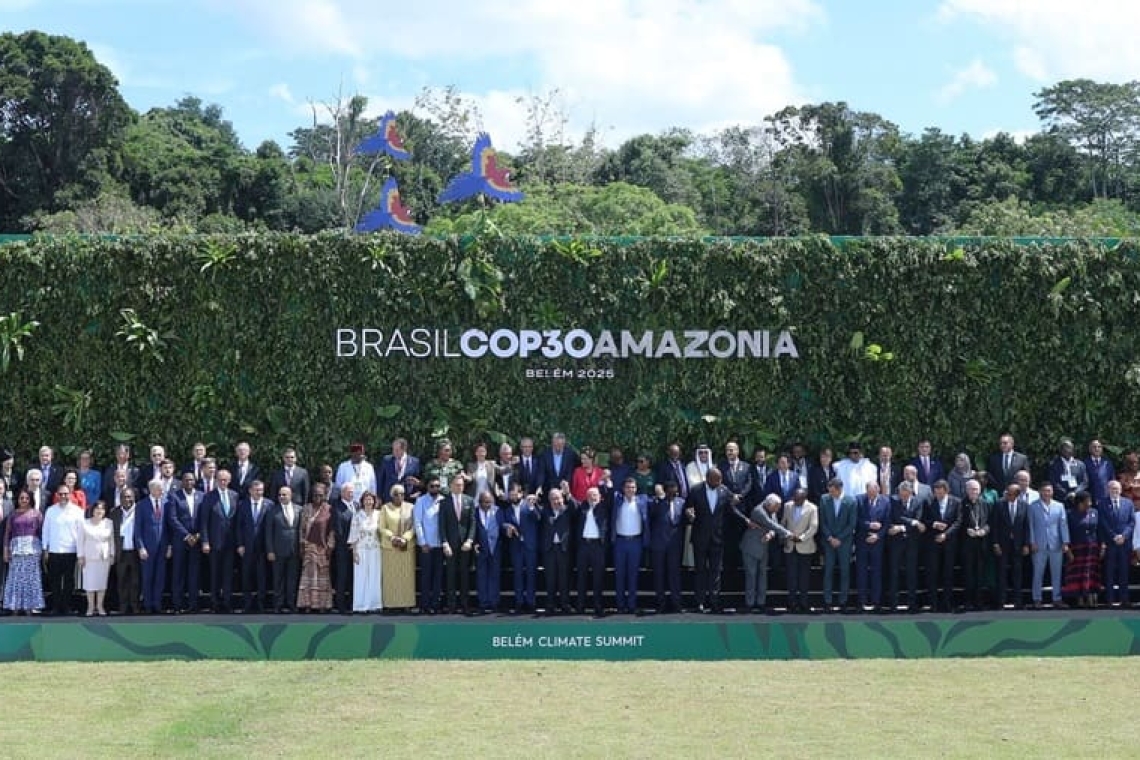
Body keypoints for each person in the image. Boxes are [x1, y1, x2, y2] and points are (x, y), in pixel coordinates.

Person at [686, 468, 740, 613]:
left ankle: (714, 601)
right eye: (717, 479)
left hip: (718, 538)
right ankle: (700, 602)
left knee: (716, 572)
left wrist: (746, 520)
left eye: (721, 479)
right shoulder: (695, 490)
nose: (720, 482)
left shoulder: (724, 490)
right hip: (700, 538)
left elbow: (732, 509)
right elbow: (688, 508)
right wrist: (690, 515)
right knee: (700, 571)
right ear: (708, 478)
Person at [741, 494, 791, 613]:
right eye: (776, 507)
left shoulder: (772, 510)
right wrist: (789, 534)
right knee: (751, 575)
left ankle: (761, 602)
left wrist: (771, 534)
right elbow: (771, 524)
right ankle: (750, 603)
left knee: (763, 575)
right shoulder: (758, 510)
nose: (778, 510)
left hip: (763, 547)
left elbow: (773, 526)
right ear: (769, 505)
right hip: (751, 547)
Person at [200, 469, 239, 613]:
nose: (223, 482)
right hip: (214, 542)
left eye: (225, 480)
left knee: (228, 573)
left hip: (230, 542)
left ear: (229, 481)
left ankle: (227, 602)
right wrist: (205, 541)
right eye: (220, 480)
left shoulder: (235, 495)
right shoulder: (209, 497)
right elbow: (204, 521)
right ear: (216, 480)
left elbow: (236, 520)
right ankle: (214, 602)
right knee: (215, 573)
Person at [43, 483, 85, 615]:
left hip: (71, 551)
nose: (63, 496)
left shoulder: (78, 511)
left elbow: (81, 533)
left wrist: (81, 552)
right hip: (54, 550)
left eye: (65, 494)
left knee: (69, 581)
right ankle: (56, 607)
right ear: (57, 495)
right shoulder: (51, 511)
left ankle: (66, 607)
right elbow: (46, 531)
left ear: (70, 495)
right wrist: (45, 549)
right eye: (60, 494)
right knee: (54, 580)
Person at [500, 481, 540, 613]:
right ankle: (519, 602)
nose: (512, 497)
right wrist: (508, 527)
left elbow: (538, 518)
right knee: (517, 574)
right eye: (510, 495)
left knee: (531, 574)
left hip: (530, 545)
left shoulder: (529, 505)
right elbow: (503, 523)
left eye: (514, 494)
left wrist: (531, 507)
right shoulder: (507, 509)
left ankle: (531, 602)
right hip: (515, 546)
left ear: (521, 493)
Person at [1028, 483, 1070, 609]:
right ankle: (1037, 599)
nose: (1047, 493)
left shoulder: (1059, 506)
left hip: (1056, 544)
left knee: (1057, 573)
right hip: (1039, 545)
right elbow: (1030, 526)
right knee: (1038, 573)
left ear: (1052, 492)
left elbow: (1063, 524)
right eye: (1044, 491)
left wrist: (1065, 542)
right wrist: (1032, 542)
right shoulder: (1032, 506)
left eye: (1049, 491)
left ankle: (1057, 599)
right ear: (1040, 492)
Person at [166, 471, 203, 613]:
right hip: (180, 541)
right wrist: (187, 536)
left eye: (191, 480)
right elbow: (172, 519)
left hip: (197, 541)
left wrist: (198, 535)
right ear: (182, 482)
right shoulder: (174, 496)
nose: (189, 482)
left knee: (194, 574)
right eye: (186, 480)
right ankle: (177, 605)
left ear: (195, 481)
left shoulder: (201, 496)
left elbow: (203, 518)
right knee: (178, 574)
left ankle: (193, 605)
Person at [887, 481, 927, 612]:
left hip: (912, 542)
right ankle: (893, 603)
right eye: (901, 495)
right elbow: (896, 516)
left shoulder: (918, 501)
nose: (903, 498)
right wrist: (912, 522)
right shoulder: (893, 501)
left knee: (911, 573)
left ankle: (912, 603)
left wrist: (902, 526)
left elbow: (919, 519)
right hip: (896, 542)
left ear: (910, 492)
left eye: (905, 495)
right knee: (894, 572)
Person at [3, 490, 44, 614]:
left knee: (31, 579)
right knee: (16, 578)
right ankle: (15, 607)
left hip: (32, 549)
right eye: (22, 498)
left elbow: (42, 533)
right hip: (16, 550)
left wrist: (44, 550)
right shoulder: (13, 514)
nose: (24, 500)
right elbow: (7, 534)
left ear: (30, 499)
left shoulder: (37, 514)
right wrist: (5, 550)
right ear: (18, 500)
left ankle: (29, 607)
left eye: (26, 498)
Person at [818, 477, 856, 612]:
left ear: (839, 489)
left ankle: (843, 601)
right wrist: (829, 537)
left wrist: (839, 538)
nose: (830, 493)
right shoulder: (824, 499)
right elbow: (822, 521)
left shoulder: (851, 501)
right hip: (829, 542)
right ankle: (827, 601)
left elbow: (851, 524)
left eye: (833, 491)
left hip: (844, 542)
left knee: (845, 571)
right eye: (829, 490)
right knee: (828, 571)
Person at [611, 477, 648, 614]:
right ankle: (620, 606)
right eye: (627, 487)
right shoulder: (617, 500)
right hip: (620, 541)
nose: (630, 490)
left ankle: (631, 605)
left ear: (636, 489)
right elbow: (608, 493)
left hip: (636, 542)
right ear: (623, 489)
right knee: (619, 575)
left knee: (633, 575)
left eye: (632, 487)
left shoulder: (643, 500)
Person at [439, 474, 475, 614]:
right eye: (457, 485)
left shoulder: (469, 501)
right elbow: (441, 525)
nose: (460, 487)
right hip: (450, 545)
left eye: (461, 485)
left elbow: (473, 523)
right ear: (451, 486)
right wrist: (444, 543)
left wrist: (470, 540)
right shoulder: (444, 502)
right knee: (450, 574)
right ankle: (451, 604)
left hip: (465, 544)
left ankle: (465, 603)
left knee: (465, 575)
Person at [648, 481, 685, 614]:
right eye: (671, 490)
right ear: (666, 490)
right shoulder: (657, 503)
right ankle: (661, 603)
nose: (673, 492)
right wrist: (659, 498)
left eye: (675, 490)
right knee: (659, 574)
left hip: (674, 545)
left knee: (674, 574)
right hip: (659, 544)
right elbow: (650, 515)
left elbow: (684, 521)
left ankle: (676, 603)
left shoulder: (681, 502)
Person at [297, 482, 335, 613]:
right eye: (315, 495)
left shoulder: (329, 509)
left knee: (322, 577)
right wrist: (302, 545)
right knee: (309, 577)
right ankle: (308, 604)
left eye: (320, 495)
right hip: (309, 547)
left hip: (323, 548)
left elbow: (332, 530)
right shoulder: (306, 509)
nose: (317, 497)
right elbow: (301, 529)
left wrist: (330, 546)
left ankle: (322, 605)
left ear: (324, 495)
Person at [134, 480, 170, 614]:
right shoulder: (141, 505)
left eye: (162, 489)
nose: (162, 491)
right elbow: (137, 529)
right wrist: (141, 547)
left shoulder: (166, 503)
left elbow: (168, 526)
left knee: (160, 577)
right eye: (159, 489)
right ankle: (148, 604)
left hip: (163, 547)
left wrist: (169, 546)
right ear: (152, 489)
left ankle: (157, 604)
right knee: (148, 577)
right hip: (147, 548)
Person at [991, 483, 1029, 610]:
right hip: (1003, 544)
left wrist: (1026, 544)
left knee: (1017, 573)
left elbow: (1026, 527)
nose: (1007, 495)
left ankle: (1018, 601)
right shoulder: (999, 504)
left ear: (1017, 495)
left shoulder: (1024, 506)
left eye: (1010, 493)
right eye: (1007, 492)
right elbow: (994, 525)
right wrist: (995, 543)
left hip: (1018, 544)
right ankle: (1001, 601)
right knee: (1001, 573)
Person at [926, 479, 962, 612]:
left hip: (949, 542)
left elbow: (958, 522)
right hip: (934, 542)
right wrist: (934, 524)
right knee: (933, 573)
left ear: (946, 491)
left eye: (941, 493)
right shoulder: (929, 502)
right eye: (936, 493)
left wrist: (946, 534)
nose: (938, 496)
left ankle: (947, 603)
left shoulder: (956, 502)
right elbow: (925, 519)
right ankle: (933, 604)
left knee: (948, 573)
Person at [854, 481, 890, 612]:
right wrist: (868, 525)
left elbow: (887, 522)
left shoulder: (886, 501)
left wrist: (878, 536)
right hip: (862, 540)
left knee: (877, 572)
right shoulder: (858, 500)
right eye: (869, 493)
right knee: (861, 572)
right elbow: (855, 519)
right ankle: (861, 601)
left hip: (877, 542)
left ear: (878, 491)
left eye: (874, 493)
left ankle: (876, 602)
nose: (871, 496)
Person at [237, 480, 272, 613]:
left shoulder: (269, 504)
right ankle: (247, 603)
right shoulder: (242, 505)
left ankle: (261, 604)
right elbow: (238, 526)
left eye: (261, 490)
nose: (259, 492)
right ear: (250, 491)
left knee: (262, 576)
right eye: (256, 490)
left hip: (263, 547)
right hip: (247, 547)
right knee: (246, 576)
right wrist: (240, 544)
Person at [265, 485, 302, 613]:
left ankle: (291, 603)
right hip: (278, 550)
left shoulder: (299, 509)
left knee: (292, 578)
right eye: (280, 495)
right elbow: (268, 532)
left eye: (284, 494)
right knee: (278, 579)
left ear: (290, 495)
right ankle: (278, 604)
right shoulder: (272, 511)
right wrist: (270, 550)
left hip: (294, 550)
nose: (281, 497)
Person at [380, 484, 416, 612]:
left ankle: (406, 603)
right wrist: (393, 537)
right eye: (396, 494)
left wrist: (405, 538)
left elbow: (414, 526)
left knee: (406, 577)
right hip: (390, 547)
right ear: (391, 495)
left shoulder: (411, 508)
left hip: (406, 547)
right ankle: (390, 604)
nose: (399, 496)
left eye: (402, 493)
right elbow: (382, 527)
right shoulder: (385, 508)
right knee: (391, 576)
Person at [781, 488, 818, 613]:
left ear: (804, 498)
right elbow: (783, 523)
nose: (795, 501)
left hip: (805, 547)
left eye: (798, 500)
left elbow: (813, 527)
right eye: (794, 499)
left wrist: (801, 538)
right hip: (790, 546)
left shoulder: (812, 508)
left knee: (804, 577)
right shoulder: (787, 506)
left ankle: (803, 603)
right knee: (791, 576)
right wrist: (787, 535)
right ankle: (791, 603)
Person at [574, 486, 608, 617]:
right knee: (581, 578)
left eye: (595, 495)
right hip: (583, 545)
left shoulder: (604, 507)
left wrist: (607, 484)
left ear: (599, 496)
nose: (592, 498)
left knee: (598, 579)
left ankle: (598, 606)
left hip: (597, 546)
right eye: (589, 495)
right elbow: (572, 503)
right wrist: (567, 493)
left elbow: (610, 496)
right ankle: (580, 606)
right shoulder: (582, 507)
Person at [1099, 480, 1134, 608]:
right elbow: (1103, 523)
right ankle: (1109, 600)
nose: (1115, 491)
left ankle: (1124, 599)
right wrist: (1114, 536)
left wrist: (1123, 535)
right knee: (1109, 572)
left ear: (1121, 490)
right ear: (1108, 490)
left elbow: (1131, 522)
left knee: (1124, 572)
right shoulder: (1102, 504)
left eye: (1117, 489)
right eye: (1112, 489)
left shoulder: (1128, 503)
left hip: (1124, 543)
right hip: (1110, 543)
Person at [1064, 492, 1102, 608]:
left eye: (1090, 501)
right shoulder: (1070, 514)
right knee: (1078, 574)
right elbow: (1067, 532)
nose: (1090, 503)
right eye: (1087, 501)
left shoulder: (1094, 512)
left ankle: (1091, 599)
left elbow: (1099, 530)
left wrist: (1103, 546)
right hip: (1077, 547)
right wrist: (1067, 549)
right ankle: (1079, 600)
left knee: (1090, 573)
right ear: (1080, 502)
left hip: (1092, 548)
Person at [539, 488, 574, 614]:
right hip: (549, 549)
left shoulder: (568, 509)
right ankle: (550, 605)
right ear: (549, 500)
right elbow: (535, 517)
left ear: (562, 498)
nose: (556, 501)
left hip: (563, 548)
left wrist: (568, 494)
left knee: (564, 578)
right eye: (553, 498)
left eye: (558, 498)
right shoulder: (545, 511)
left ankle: (565, 604)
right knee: (550, 578)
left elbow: (576, 507)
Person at [347, 491, 382, 613]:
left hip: (375, 549)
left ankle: (374, 604)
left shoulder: (379, 514)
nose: (369, 501)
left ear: (374, 501)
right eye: (366, 499)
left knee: (374, 576)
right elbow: (353, 534)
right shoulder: (357, 515)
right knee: (361, 576)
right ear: (362, 501)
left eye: (371, 499)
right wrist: (354, 552)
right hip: (361, 549)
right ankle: (360, 605)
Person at [77, 500, 114, 616]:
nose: (99, 511)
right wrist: (80, 556)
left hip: (104, 557)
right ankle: (90, 606)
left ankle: (100, 606)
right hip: (89, 558)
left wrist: (112, 554)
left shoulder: (109, 523)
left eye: (102, 509)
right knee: (90, 583)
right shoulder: (84, 523)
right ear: (92, 510)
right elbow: (80, 541)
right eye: (97, 508)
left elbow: (112, 540)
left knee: (102, 583)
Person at [412, 478, 443, 614]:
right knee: (426, 576)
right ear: (427, 487)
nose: (435, 488)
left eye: (437, 486)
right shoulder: (421, 501)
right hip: (426, 545)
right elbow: (417, 522)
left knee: (438, 576)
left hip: (440, 544)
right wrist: (423, 542)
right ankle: (424, 604)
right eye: (432, 486)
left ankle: (435, 604)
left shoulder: (444, 500)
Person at [960, 479, 991, 611]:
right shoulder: (961, 504)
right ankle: (968, 601)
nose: (974, 492)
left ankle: (979, 602)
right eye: (971, 489)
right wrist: (966, 530)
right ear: (966, 491)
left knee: (980, 574)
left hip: (981, 543)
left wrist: (984, 530)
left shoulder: (984, 504)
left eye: (976, 490)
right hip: (967, 544)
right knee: (968, 574)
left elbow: (990, 522)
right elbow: (957, 522)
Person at [472, 490, 504, 614]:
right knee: (481, 576)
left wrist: (508, 528)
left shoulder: (498, 510)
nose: (488, 504)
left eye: (490, 502)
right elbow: (472, 528)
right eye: (485, 502)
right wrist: (474, 543)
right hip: (481, 548)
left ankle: (494, 602)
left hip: (495, 548)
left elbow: (502, 525)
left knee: (495, 576)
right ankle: (483, 602)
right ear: (480, 502)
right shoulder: (474, 512)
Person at [110, 487, 140, 615]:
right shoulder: (114, 513)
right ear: (120, 499)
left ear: (133, 497)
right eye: (124, 497)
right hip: (120, 551)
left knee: (135, 581)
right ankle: (123, 606)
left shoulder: (140, 510)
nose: (127, 499)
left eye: (129, 496)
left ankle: (135, 606)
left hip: (135, 551)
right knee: (121, 580)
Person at [329, 482, 356, 614]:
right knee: (342, 577)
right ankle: (340, 605)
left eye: (352, 492)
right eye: (348, 492)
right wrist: (349, 543)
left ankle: (352, 603)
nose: (351, 494)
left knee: (353, 577)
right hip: (343, 548)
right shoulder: (337, 508)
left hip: (356, 549)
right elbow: (338, 530)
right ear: (342, 493)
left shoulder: (356, 506)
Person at [379, 437, 421, 502]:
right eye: (393, 449)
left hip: (407, 499)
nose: (394, 452)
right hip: (390, 498)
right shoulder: (386, 460)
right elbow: (381, 480)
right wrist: (379, 497)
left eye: (397, 450)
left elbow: (418, 481)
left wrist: (417, 492)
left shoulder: (414, 462)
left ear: (404, 449)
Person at [1048, 438, 1088, 505]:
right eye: (1065, 448)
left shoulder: (1080, 464)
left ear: (1073, 450)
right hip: (1061, 499)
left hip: (1078, 499)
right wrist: (1067, 494)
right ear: (1060, 450)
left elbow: (1085, 482)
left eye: (1069, 448)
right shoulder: (1053, 465)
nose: (1067, 450)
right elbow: (1054, 482)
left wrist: (1075, 493)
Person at [1084, 439, 1115, 504]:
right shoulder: (1084, 463)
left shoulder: (1107, 463)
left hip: (1106, 498)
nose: (1097, 449)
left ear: (1102, 449)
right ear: (1090, 449)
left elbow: (1112, 480)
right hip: (1090, 499)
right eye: (1094, 447)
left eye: (1099, 447)